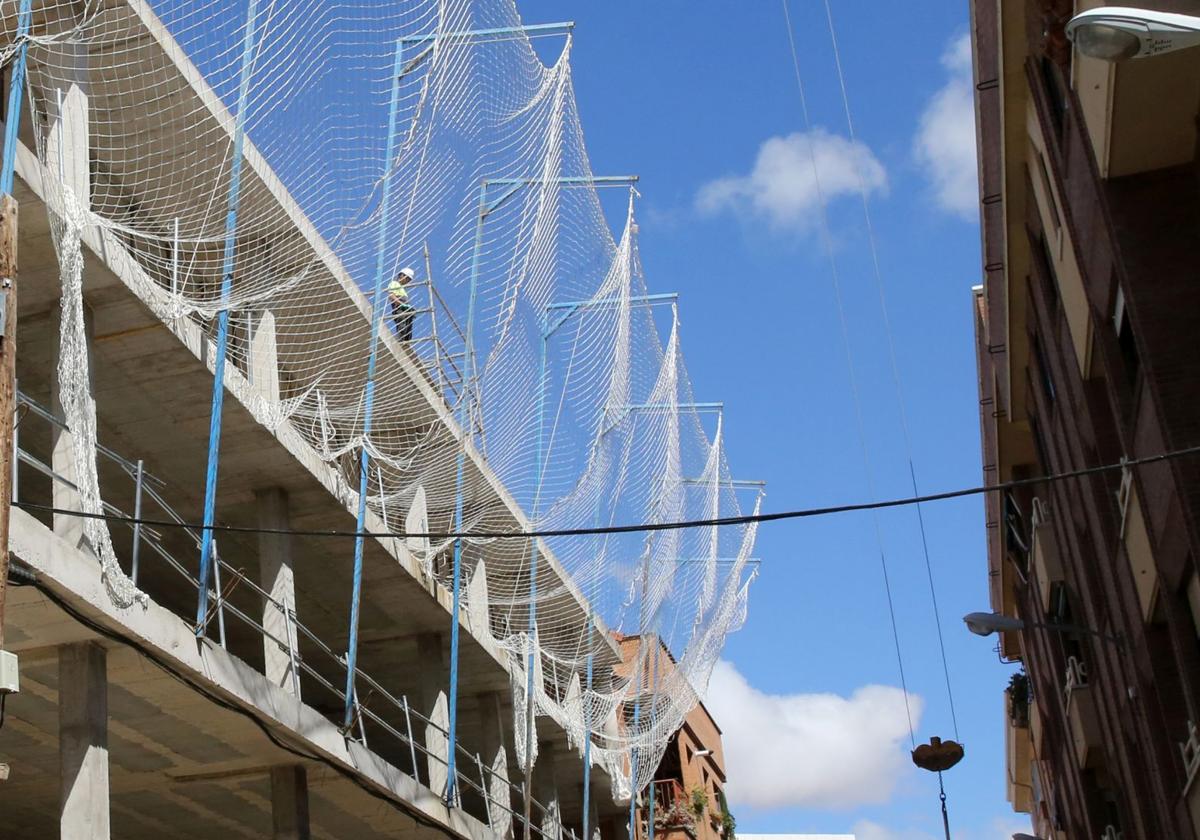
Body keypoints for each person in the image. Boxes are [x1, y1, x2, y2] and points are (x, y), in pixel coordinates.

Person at [389, 267, 416, 341]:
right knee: (402, 325)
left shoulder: (402, 289)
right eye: (407, 279)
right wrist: (401, 304)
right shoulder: (394, 283)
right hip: (399, 308)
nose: (408, 281)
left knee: (408, 327)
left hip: (405, 310)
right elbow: (391, 296)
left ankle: (406, 342)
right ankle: (400, 340)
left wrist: (409, 308)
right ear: (402, 275)